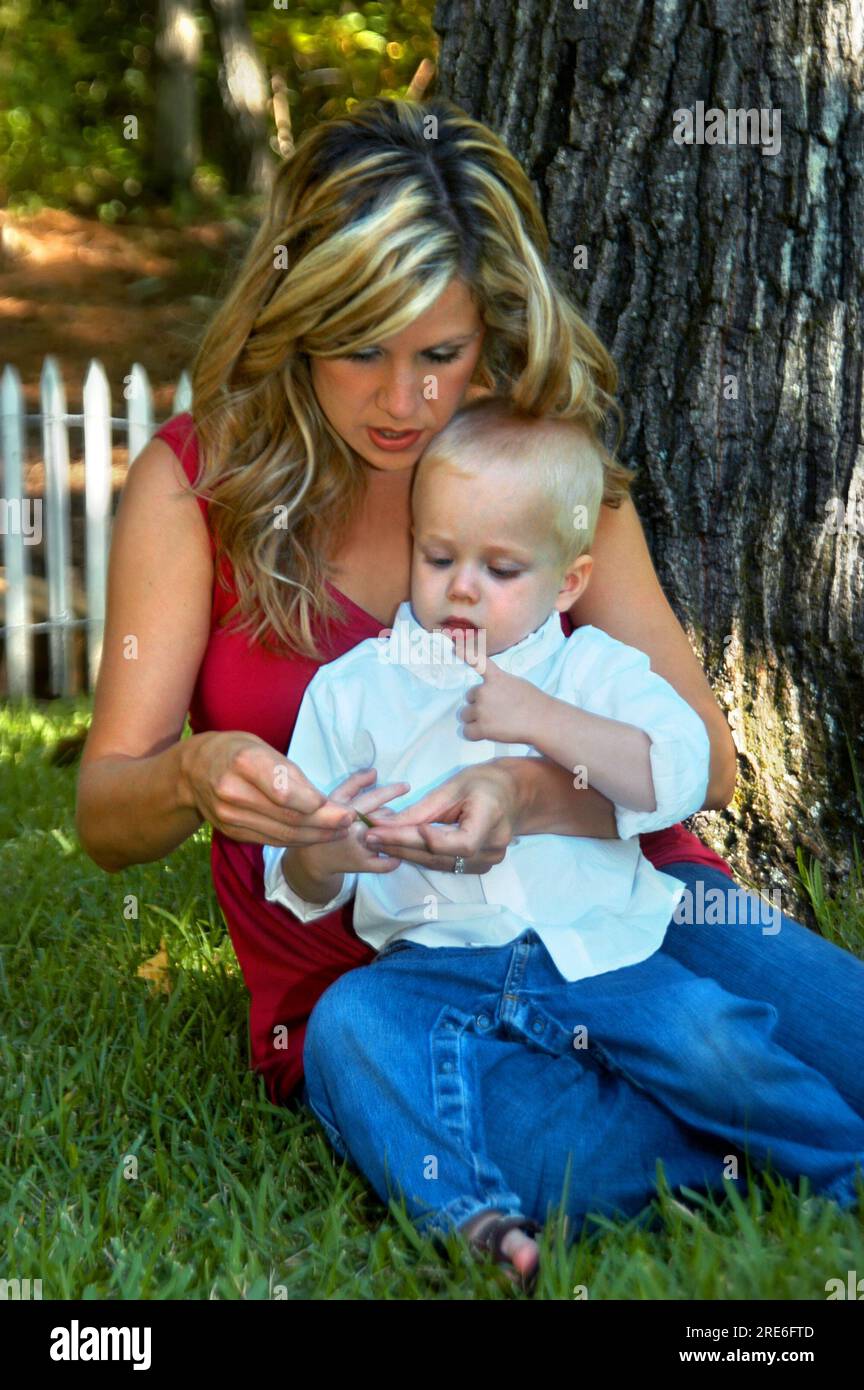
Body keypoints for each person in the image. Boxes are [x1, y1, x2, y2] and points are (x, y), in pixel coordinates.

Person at [75, 97, 864, 1286]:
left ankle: (729, 1114)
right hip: (386, 981)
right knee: (497, 1120)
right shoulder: (202, 482)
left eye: (440, 354)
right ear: (295, 322)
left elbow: (708, 750)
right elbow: (105, 812)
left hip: (635, 917)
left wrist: (529, 789)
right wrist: (196, 771)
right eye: (362, 351)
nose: (406, 400)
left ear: (488, 330)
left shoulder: (537, 468)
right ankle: (750, 1141)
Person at [261, 397, 864, 1289]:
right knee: (350, 1028)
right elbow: (297, 871)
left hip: (604, 949)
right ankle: (475, 1220)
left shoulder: (590, 670)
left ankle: (840, 1169)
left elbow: (681, 770)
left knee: (709, 1038)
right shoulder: (356, 688)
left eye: (501, 568)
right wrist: (330, 849)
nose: (462, 587)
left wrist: (538, 718)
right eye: (439, 558)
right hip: (432, 961)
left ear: (570, 581)